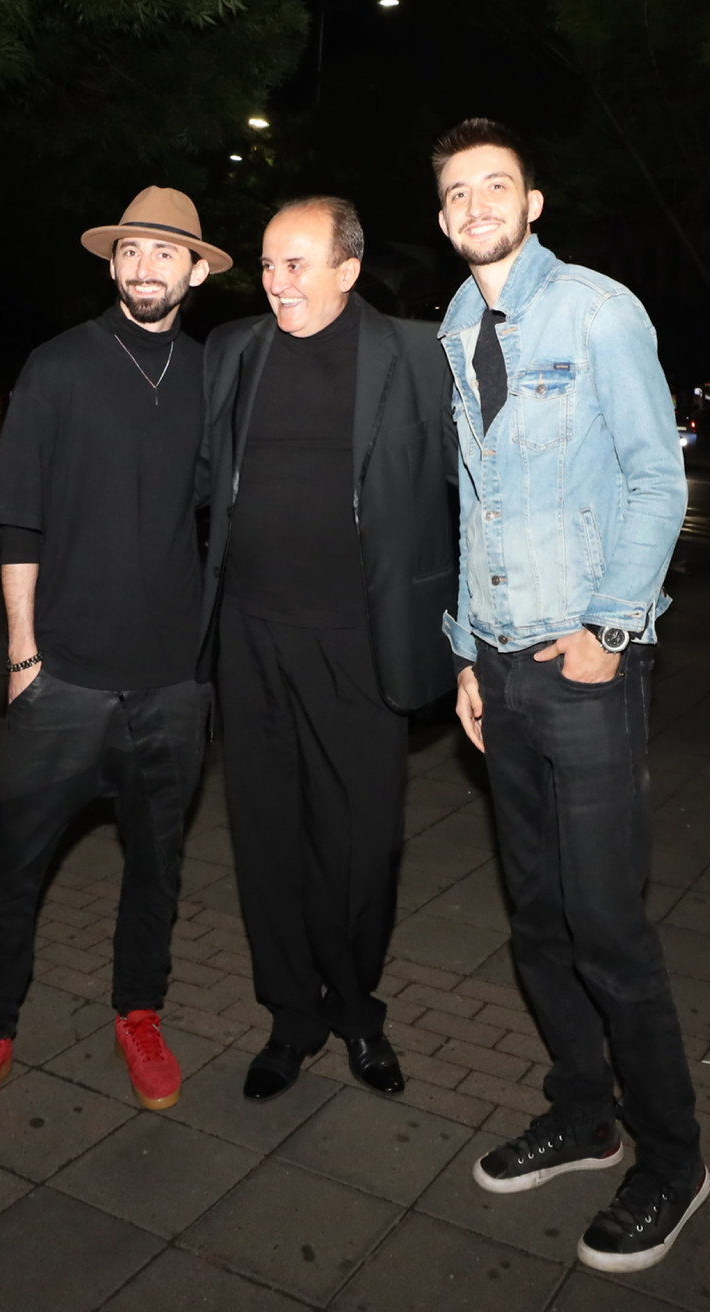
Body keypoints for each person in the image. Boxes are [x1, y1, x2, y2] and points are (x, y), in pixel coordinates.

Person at [433, 118, 708, 1273]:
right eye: (457, 192)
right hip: (498, 667)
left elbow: (656, 477)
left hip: (585, 668)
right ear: (442, 216)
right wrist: (463, 650)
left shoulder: (597, 310)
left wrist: (611, 628)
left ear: (531, 202)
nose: (477, 204)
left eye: (496, 184)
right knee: (537, 919)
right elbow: (474, 497)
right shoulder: (456, 326)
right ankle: (583, 1114)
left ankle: (672, 1158)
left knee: (607, 928)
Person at [0, 187, 232, 1138]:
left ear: (195, 271)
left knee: (158, 869)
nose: (146, 267)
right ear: (113, 264)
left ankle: (139, 1015)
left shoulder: (211, 376)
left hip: (174, 681)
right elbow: (18, 517)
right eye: (131, 251)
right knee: (15, 870)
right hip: (60, 674)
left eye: (166, 253)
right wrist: (23, 655)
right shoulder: (58, 365)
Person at [199, 196, 456, 1102]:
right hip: (250, 635)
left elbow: (476, 485)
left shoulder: (420, 355)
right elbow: (194, 474)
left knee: (362, 845)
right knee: (266, 837)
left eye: (296, 264)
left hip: (361, 641)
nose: (276, 283)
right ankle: (290, 1020)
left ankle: (355, 1010)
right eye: (268, 265)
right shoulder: (234, 349)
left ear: (348, 269)